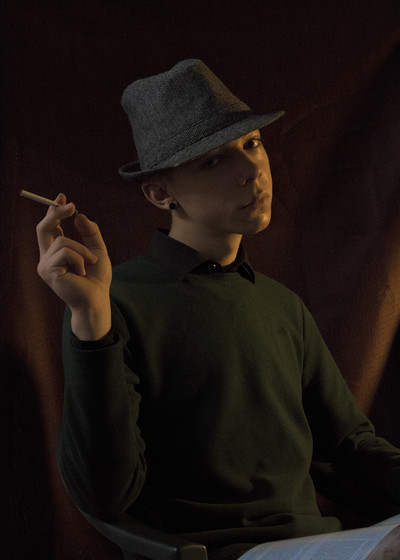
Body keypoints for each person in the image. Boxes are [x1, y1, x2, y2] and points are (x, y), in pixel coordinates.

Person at [36, 59, 400, 560]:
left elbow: (349, 448)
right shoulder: (113, 301)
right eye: (212, 161)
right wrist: (91, 324)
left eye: (252, 143)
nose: (252, 170)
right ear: (160, 193)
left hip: (321, 543)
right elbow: (104, 497)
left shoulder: (281, 305)